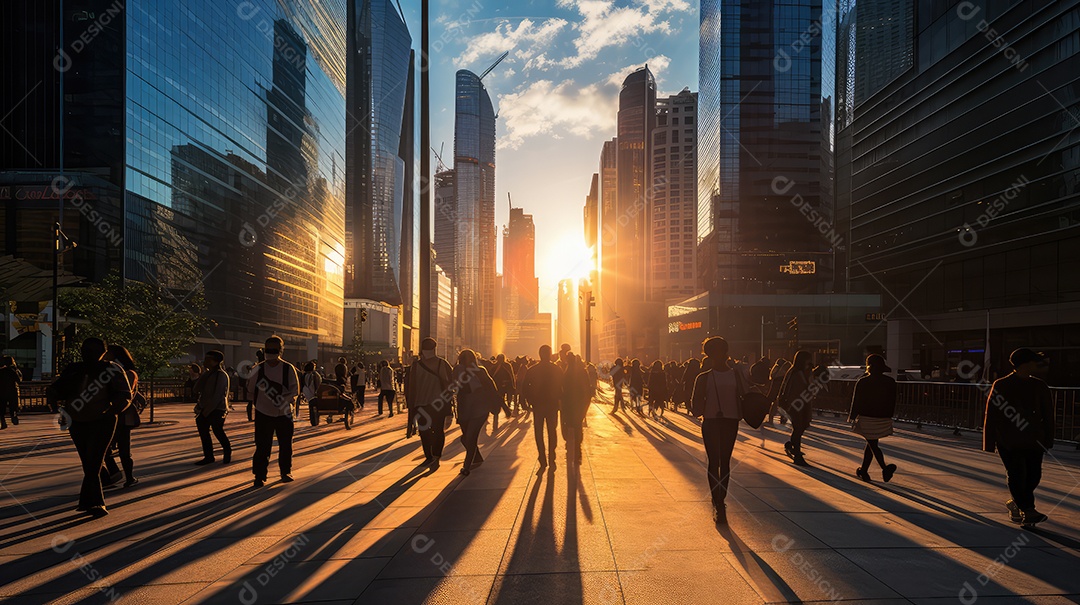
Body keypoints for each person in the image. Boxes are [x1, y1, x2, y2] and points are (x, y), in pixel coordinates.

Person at [52, 337, 132, 517]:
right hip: (77, 420)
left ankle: (95, 502)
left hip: (102, 419)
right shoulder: (74, 369)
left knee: (94, 460)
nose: (88, 355)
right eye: (86, 351)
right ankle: (89, 502)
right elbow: (57, 389)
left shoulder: (112, 369)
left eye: (93, 351)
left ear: (102, 353)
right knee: (88, 461)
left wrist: (112, 410)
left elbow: (124, 394)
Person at [984, 348, 1055, 526]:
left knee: (1033, 476)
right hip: (1008, 440)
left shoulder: (1040, 386)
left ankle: (1017, 503)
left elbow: (1048, 415)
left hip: (1034, 439)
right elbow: (991, 414)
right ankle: (1028, 511)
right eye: (1033, 361)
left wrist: (1048, 439)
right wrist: (990, 442)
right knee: (1016, 474)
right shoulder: (1001, 385)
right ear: (1024, 364)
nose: (1036, 365)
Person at [689, 337, 742, 525]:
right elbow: (744, 397)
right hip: (728, 421)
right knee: (723, 461)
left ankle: (718, 501)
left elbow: (695, 408)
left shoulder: (704, 377)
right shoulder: (735, 375)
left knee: (717, 461)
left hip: (713, 421)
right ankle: (720, 501)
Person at [248, 335, 299, 487]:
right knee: (262, 446)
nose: (270, 353)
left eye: (274, 349)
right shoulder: (257, 369)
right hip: (263, 412)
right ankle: (259, 475)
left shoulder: (288, 368)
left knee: (286, 444)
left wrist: (282, 399)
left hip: (283, 412)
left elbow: (294, 390)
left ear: (280, 350)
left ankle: (285, 471)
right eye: (268, 349)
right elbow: (250, 390)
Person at [848, 354, 897, 482]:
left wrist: (852, 417)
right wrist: (889, 415)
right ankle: (863, 471)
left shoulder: (863, 382)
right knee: (872, 443)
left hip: (866, 418)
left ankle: (884, 468)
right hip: (882, 418)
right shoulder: (890, 382)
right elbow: (893, 401)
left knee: (872, 444)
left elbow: (856, 401)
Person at [406, 338, 454, 466]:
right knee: (438, 430)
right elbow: (451, 385)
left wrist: (411, 406)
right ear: (435, 348)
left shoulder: (415, 366)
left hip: (420, 404)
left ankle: (428, 455)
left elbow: (411, 387)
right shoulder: (442, 364)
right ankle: (437, 455)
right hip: (438, 404)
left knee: (424, 431)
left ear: (421, 349)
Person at [101, 345, 142, 488]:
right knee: (105, 448)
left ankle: (128, 477)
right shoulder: (108, 371)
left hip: (122, 414)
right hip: (112, 413)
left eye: (108, 353)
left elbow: (126, 393)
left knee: (123, 448)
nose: (105, 356)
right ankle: (115, 474)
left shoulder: (128, 373)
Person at [452, 349, 498, 476]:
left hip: (479, 410)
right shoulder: (458, 371)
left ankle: (466, 467)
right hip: (464, 410)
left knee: (470, 438)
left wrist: (500, 405)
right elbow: (454, 386)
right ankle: (476, 457)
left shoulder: (480, 371)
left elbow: (491, 387)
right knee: (465, 438)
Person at [523, 345, 563, 470]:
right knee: (552, 431)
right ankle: (552, 455)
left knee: (538, 432)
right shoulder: (557, 369)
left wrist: (529, 401)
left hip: (538, 405)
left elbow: (524, 387)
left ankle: (542, 457)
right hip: (552, 405)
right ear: (550, 354)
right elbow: (563, 387)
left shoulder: (532, 370)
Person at [194, 350, 232, 465]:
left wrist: (207, 410)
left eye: (207, 360)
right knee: (204, 432)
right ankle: (208, 456)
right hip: (204, 408)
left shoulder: (221, 375)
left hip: (217, 408)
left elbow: (218, 395)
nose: (204, 362)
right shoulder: (208, 374)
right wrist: (203, 375)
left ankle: (227, 451)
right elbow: (196, 389)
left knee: (218, 430)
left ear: (215, 361)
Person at [777, 351, 815, 466]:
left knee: (802, 427)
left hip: (804, 404)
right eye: (808, 359)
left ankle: (791, 445)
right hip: (795, 405)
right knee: (798, 428)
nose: (810, 362)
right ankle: (797, 454)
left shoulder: (805, 372)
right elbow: (786, 388)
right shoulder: (794, 372)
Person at [561, 355, 591, 465]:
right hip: (578, 404)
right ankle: (577, 451)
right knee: (577, 427)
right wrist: (585, 406)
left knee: (569, 426)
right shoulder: (582, 372)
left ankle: (571, 447)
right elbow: (587, 390)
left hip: (569, 405)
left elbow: (563, 389)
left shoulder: (566, 372)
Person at [490, 354, 516, 429]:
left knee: (499, 399)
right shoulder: (506, 365)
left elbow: (491, 377)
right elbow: (511, 376)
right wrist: (512, 385)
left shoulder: (495, 366)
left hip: (499, 386)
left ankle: (499, 413)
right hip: (504, 385)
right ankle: (506, 410)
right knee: (501, 398)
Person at [766, 358, 792, 424]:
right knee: (782, 405)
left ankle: (771, 419)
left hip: (775, 392)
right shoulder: (784, 374)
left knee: (774, 405)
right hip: (781, 392)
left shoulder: (775, 373)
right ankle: (783, 419)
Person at [0, 356, 22, 429]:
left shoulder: (1, 371)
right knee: (13, 406)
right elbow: (19, 380)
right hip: (12, 391)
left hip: (2, 391)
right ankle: (13, 416)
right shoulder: (14, 371)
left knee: (2, 407)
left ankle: (3, 421)